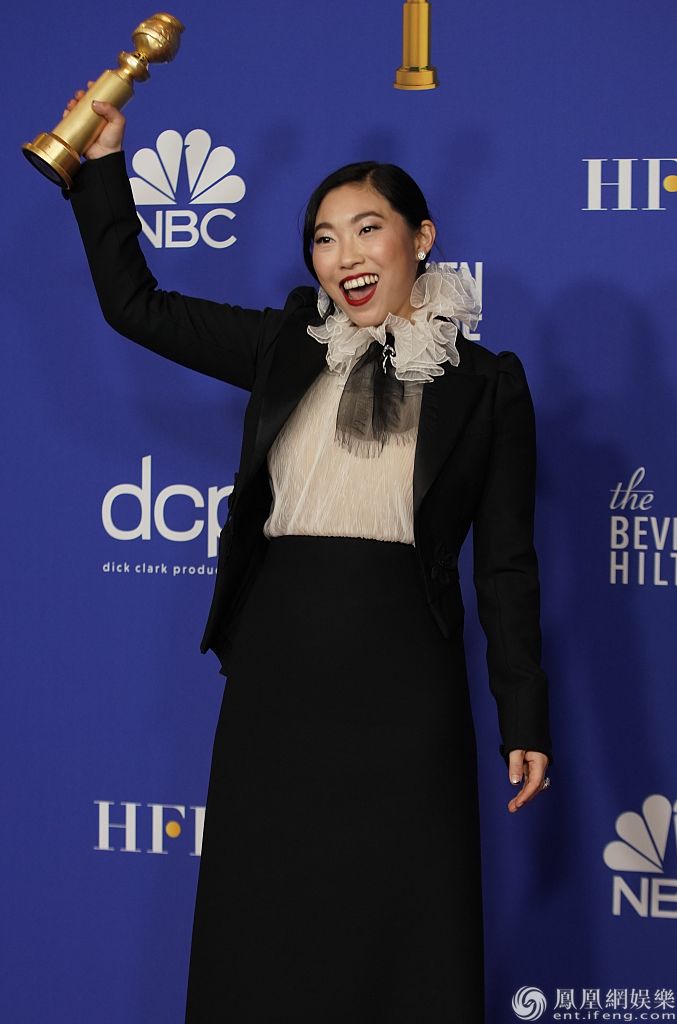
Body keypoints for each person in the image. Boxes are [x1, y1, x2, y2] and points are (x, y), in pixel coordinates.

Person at [62, 87, 553, 1023]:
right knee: (266, 918)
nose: (344, 256)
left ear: (420, 238)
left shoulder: (489, 385)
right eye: (323, 239)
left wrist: (522, 714)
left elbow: (506, 564)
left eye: (367, 230)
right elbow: (135, 306)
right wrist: (102, 163)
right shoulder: (284, 346)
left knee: (403, 920)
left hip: (406, 678)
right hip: (279, 672)